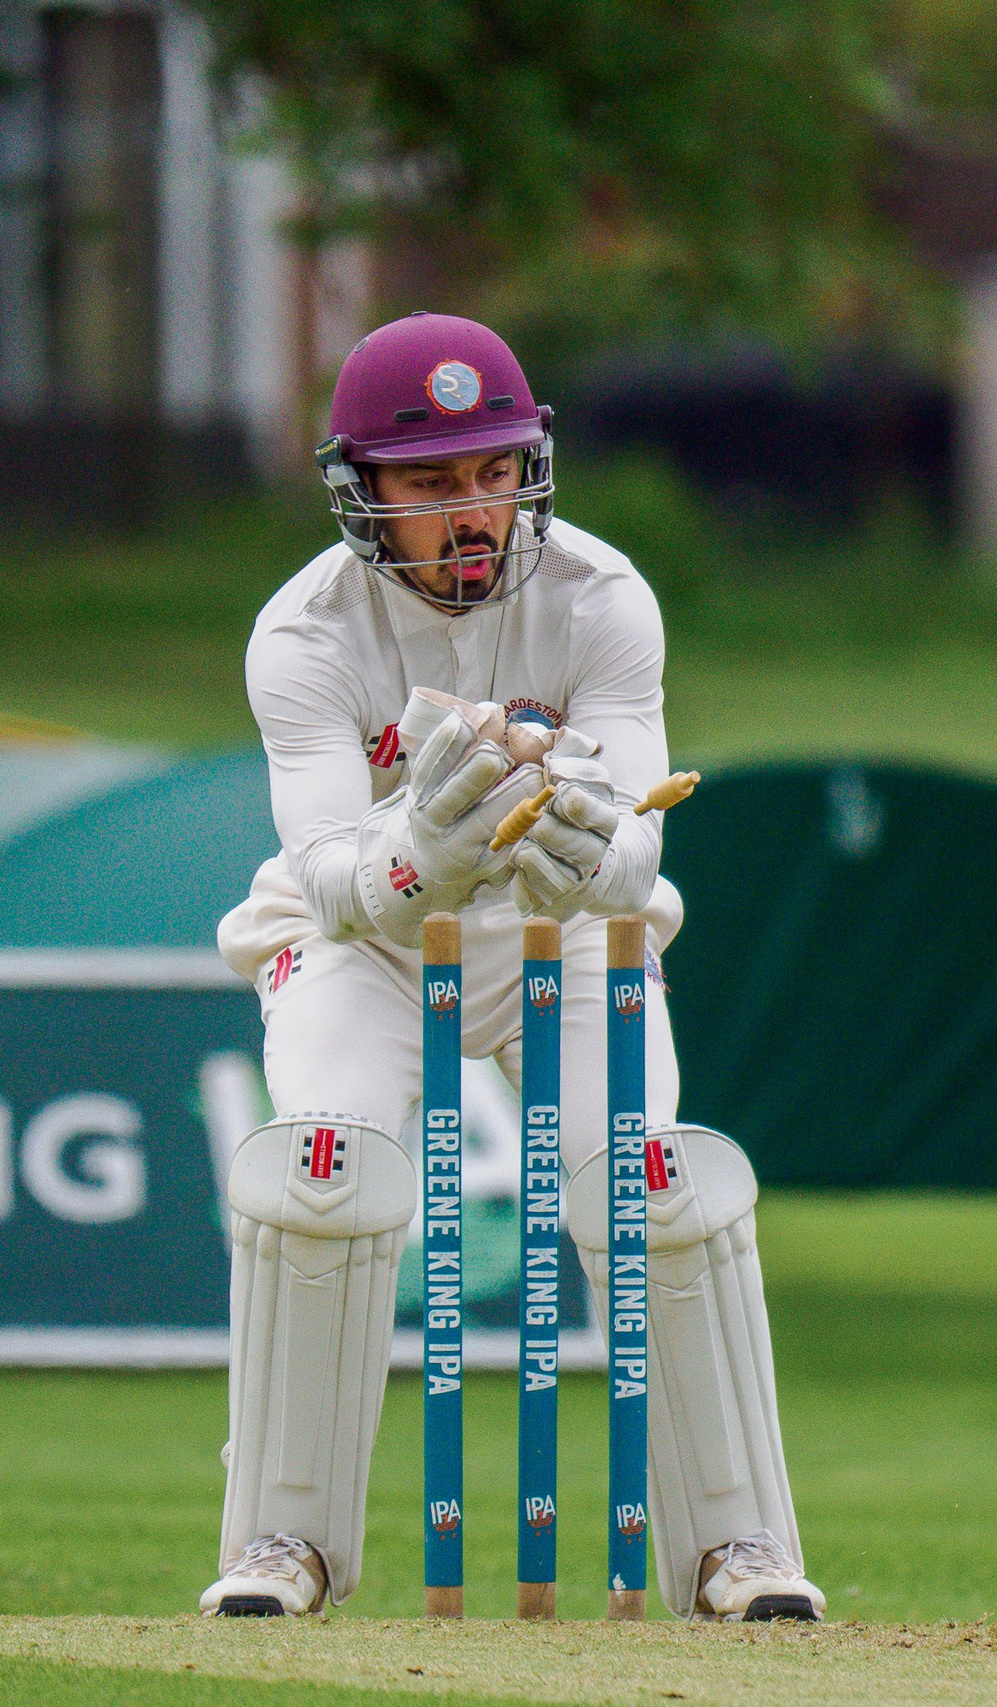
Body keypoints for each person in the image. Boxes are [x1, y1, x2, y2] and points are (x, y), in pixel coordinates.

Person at [201, 312, 822, 1622]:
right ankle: (281, 1543)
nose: (474, 511)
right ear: (362, 492)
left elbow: (635, 858)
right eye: (431, 483)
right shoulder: (304, 635)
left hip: (565, 930)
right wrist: (423, 851)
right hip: (366, 945)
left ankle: (739, 1548)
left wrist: (594, 850)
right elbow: (332, 879)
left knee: (646, 1185)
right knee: (324, 1177)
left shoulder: (602, 597)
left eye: (494, 471)